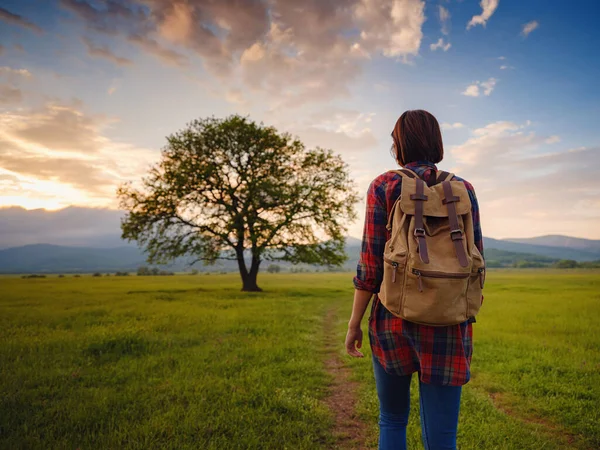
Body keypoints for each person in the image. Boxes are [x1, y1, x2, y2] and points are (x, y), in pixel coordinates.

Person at [345, 110, 484, 450]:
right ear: (437, 142)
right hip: (449, 321)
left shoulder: (385, 185)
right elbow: (476, 257)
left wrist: (354, 324)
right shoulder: (463, 189)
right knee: (442, 437)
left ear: (398, 145)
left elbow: (370, 266)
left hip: (392, 319)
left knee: (392, 420)